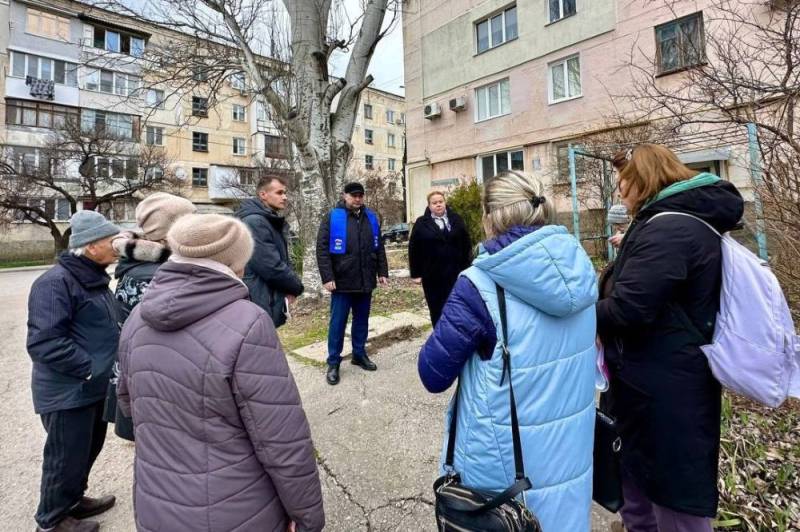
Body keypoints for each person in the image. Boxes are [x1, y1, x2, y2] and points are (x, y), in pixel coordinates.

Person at [117, 214, 325, 532]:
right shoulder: (248, 323)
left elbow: (129, 406)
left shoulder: (136, 319)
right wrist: (308, 517)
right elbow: (282, 441)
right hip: (238, 509)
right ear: (236, 260)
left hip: (155, 504)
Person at [418, 171, 598, 532]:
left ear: (489, 218)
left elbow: (432, 373)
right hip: (569, 454)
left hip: (502, 472)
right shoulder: (580, 272)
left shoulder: (477, 286)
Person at [597, 144, 744, 532]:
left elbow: (629, 309)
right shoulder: (666, 222)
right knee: (640, 487)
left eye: (621, 184)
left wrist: (574, 317)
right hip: (650, 382)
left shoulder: (671, 228)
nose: (619, 193)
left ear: (642, 180)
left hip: (664, 392)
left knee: (675, 501)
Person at [26, 210, 121, 532]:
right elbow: (44, 343)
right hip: (68, 391)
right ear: (92, 247)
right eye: (112, 241)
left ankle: (73, 500)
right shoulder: (55, 283)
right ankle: (51, 522)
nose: (118, 247)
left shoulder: (93, 280)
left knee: (86, 449)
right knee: (64, 457)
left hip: (91, 388)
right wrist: (90, 368)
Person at [103, 192, 196, 441]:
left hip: (151, 378)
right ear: (169, 231)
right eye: (188, 221)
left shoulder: (154, 265)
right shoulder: (151, 276)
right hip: (154, 384)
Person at [316, 181, 389, 386]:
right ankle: (333, 362)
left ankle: (359, 354)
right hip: (341, 282)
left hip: (365, 280)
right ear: (345, 195)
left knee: (361, 321)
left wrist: (382, 271)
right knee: (337, 323)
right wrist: (327, 277)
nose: (358, 199)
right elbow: (321, 249)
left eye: (360, 195)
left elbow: (379, 247)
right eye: (354, 195)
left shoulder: (371, 217)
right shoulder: (333, 217)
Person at [236, 175, 304, 327]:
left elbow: (281, 258)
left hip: (266, 294)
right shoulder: (255, 221)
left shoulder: (267, 219)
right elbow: (270, 265)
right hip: (259, 296)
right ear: (263, 195)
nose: (285, 197)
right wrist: (296, 286)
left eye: (285, 193)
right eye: (279, 193)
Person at [408, 191, 473, 325]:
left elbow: (466, 244)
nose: (438, 205)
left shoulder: (456, 219)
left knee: (458, 306)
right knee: (437, 308)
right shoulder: (421, 223)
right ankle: (439, 336)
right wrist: (416, 274)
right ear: (429, 206)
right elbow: (414, 248)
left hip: (456, 272)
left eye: (440, 202)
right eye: (434, 203)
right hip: (432, 275)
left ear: (445, 203)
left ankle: (458, 337)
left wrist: (469, 268)